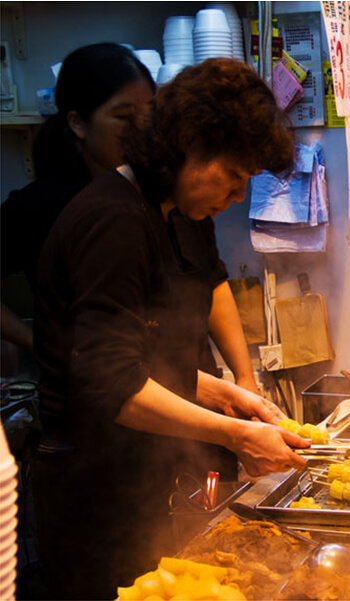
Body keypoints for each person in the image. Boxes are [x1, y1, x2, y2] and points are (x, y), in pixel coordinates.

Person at [31, 58, 306, 599]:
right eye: (233, 177)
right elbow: (114, 387)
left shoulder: (162, 212)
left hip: (145, 477)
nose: (234, 197)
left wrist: (231, 395)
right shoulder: (113, 222)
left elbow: (145, 359)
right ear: (189, 145)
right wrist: (236, 433)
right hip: (98, 495)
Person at [1, 44, 155, 353]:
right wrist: (36, 343)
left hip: (162, 376)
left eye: (150, 114)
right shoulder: (41, 205)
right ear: (78, 123)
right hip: (82, 388)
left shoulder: (156, 190)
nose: (142, 129)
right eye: (124, 117)